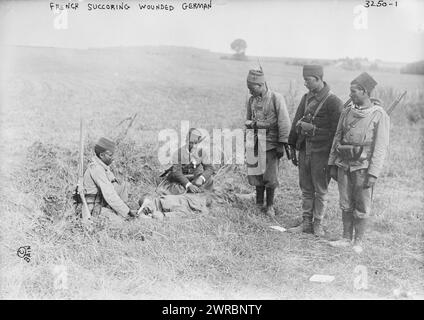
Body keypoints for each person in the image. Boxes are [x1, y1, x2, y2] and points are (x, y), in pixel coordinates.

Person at [328, 72, 390, 254]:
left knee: (362, 206)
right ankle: (346, 238)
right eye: (350, 91)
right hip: (343, 164)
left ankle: (358, 242)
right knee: (345, 202)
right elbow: (337, 137)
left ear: (365, 92)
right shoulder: (347, 111)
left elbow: (380, 148)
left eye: (354, 92)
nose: (350, 95)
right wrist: (332, 164)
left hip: (363, 167)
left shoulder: (379, 115)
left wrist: (373, 173)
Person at [287, 65, 343, 236]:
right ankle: (306, 223)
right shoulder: (306, 98)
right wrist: (293, 145)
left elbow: (338, 133)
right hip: (305, 150)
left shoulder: (334, 102)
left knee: (320, 189)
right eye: (304, 80)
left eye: (308, 80)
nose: (305, 83)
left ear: (319, 79)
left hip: (322, 153)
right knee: (306, 188)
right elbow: (296, 120)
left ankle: (317, 224)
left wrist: (313, 130)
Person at [244, 69, 291, 217]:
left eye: (252, 88)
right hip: (256, 143)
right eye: (249, 89)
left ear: (261, 84)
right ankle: (259, 203)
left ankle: (270, 205)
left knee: (270, 176)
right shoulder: (252, 100)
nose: (250, 92)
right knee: (256, 174)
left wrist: (281, 143)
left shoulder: (276, 98)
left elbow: (284, 122)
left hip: (272, 144)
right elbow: (248, 120)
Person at [83, 137, 137, 223]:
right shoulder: (97, 169)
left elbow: (113, 183)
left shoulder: (102, 165)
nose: (113, 157)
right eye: (110, 155)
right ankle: (121, 214)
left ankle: (119, 212)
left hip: (101, 202)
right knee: (121, 223)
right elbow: (110, 195)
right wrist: (127, 212)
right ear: (101, 155)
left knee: (123, 185)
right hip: (94, 208)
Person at [158, 128, 214, 195]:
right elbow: (177, 172)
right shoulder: (178, 153)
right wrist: (188, 185)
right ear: (186, 141)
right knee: (177, 190)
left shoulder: (201, 152)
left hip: (195, 178)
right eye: (191, 143)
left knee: (210, 180)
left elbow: (209, 168)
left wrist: (202, 178)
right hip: (181, 179)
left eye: (196, 143)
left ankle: (196, 191)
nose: (193, 146)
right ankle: (189, 191)